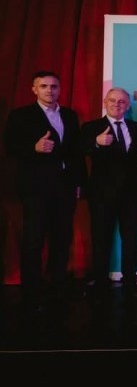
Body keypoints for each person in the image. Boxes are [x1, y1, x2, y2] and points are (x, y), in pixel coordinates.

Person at [4, 71, 86, 306]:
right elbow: (10, 145)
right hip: (35, 187)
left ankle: (58, 283)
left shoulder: (69, 115)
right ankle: (31, 289)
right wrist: (34, 148)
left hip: (65, 186)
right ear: (34, 89)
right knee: (34, 238)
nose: (49, 90)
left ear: (59, 89)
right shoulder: (21, 115)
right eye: (44, 86)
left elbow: (76, 152)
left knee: (62, 237)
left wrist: (79, 183)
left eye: (54, 86)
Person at [80, 87, 137, 298]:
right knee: (101, 238)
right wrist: (96, 143)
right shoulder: (91, 127)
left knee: (130, 240)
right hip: (102, 194)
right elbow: (79, 150)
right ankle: (100, 282)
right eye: (112, 100)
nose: (117, 104)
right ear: (105, 102)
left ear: (128, 105)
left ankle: (130, 282)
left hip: (132, 194)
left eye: (121, 101)